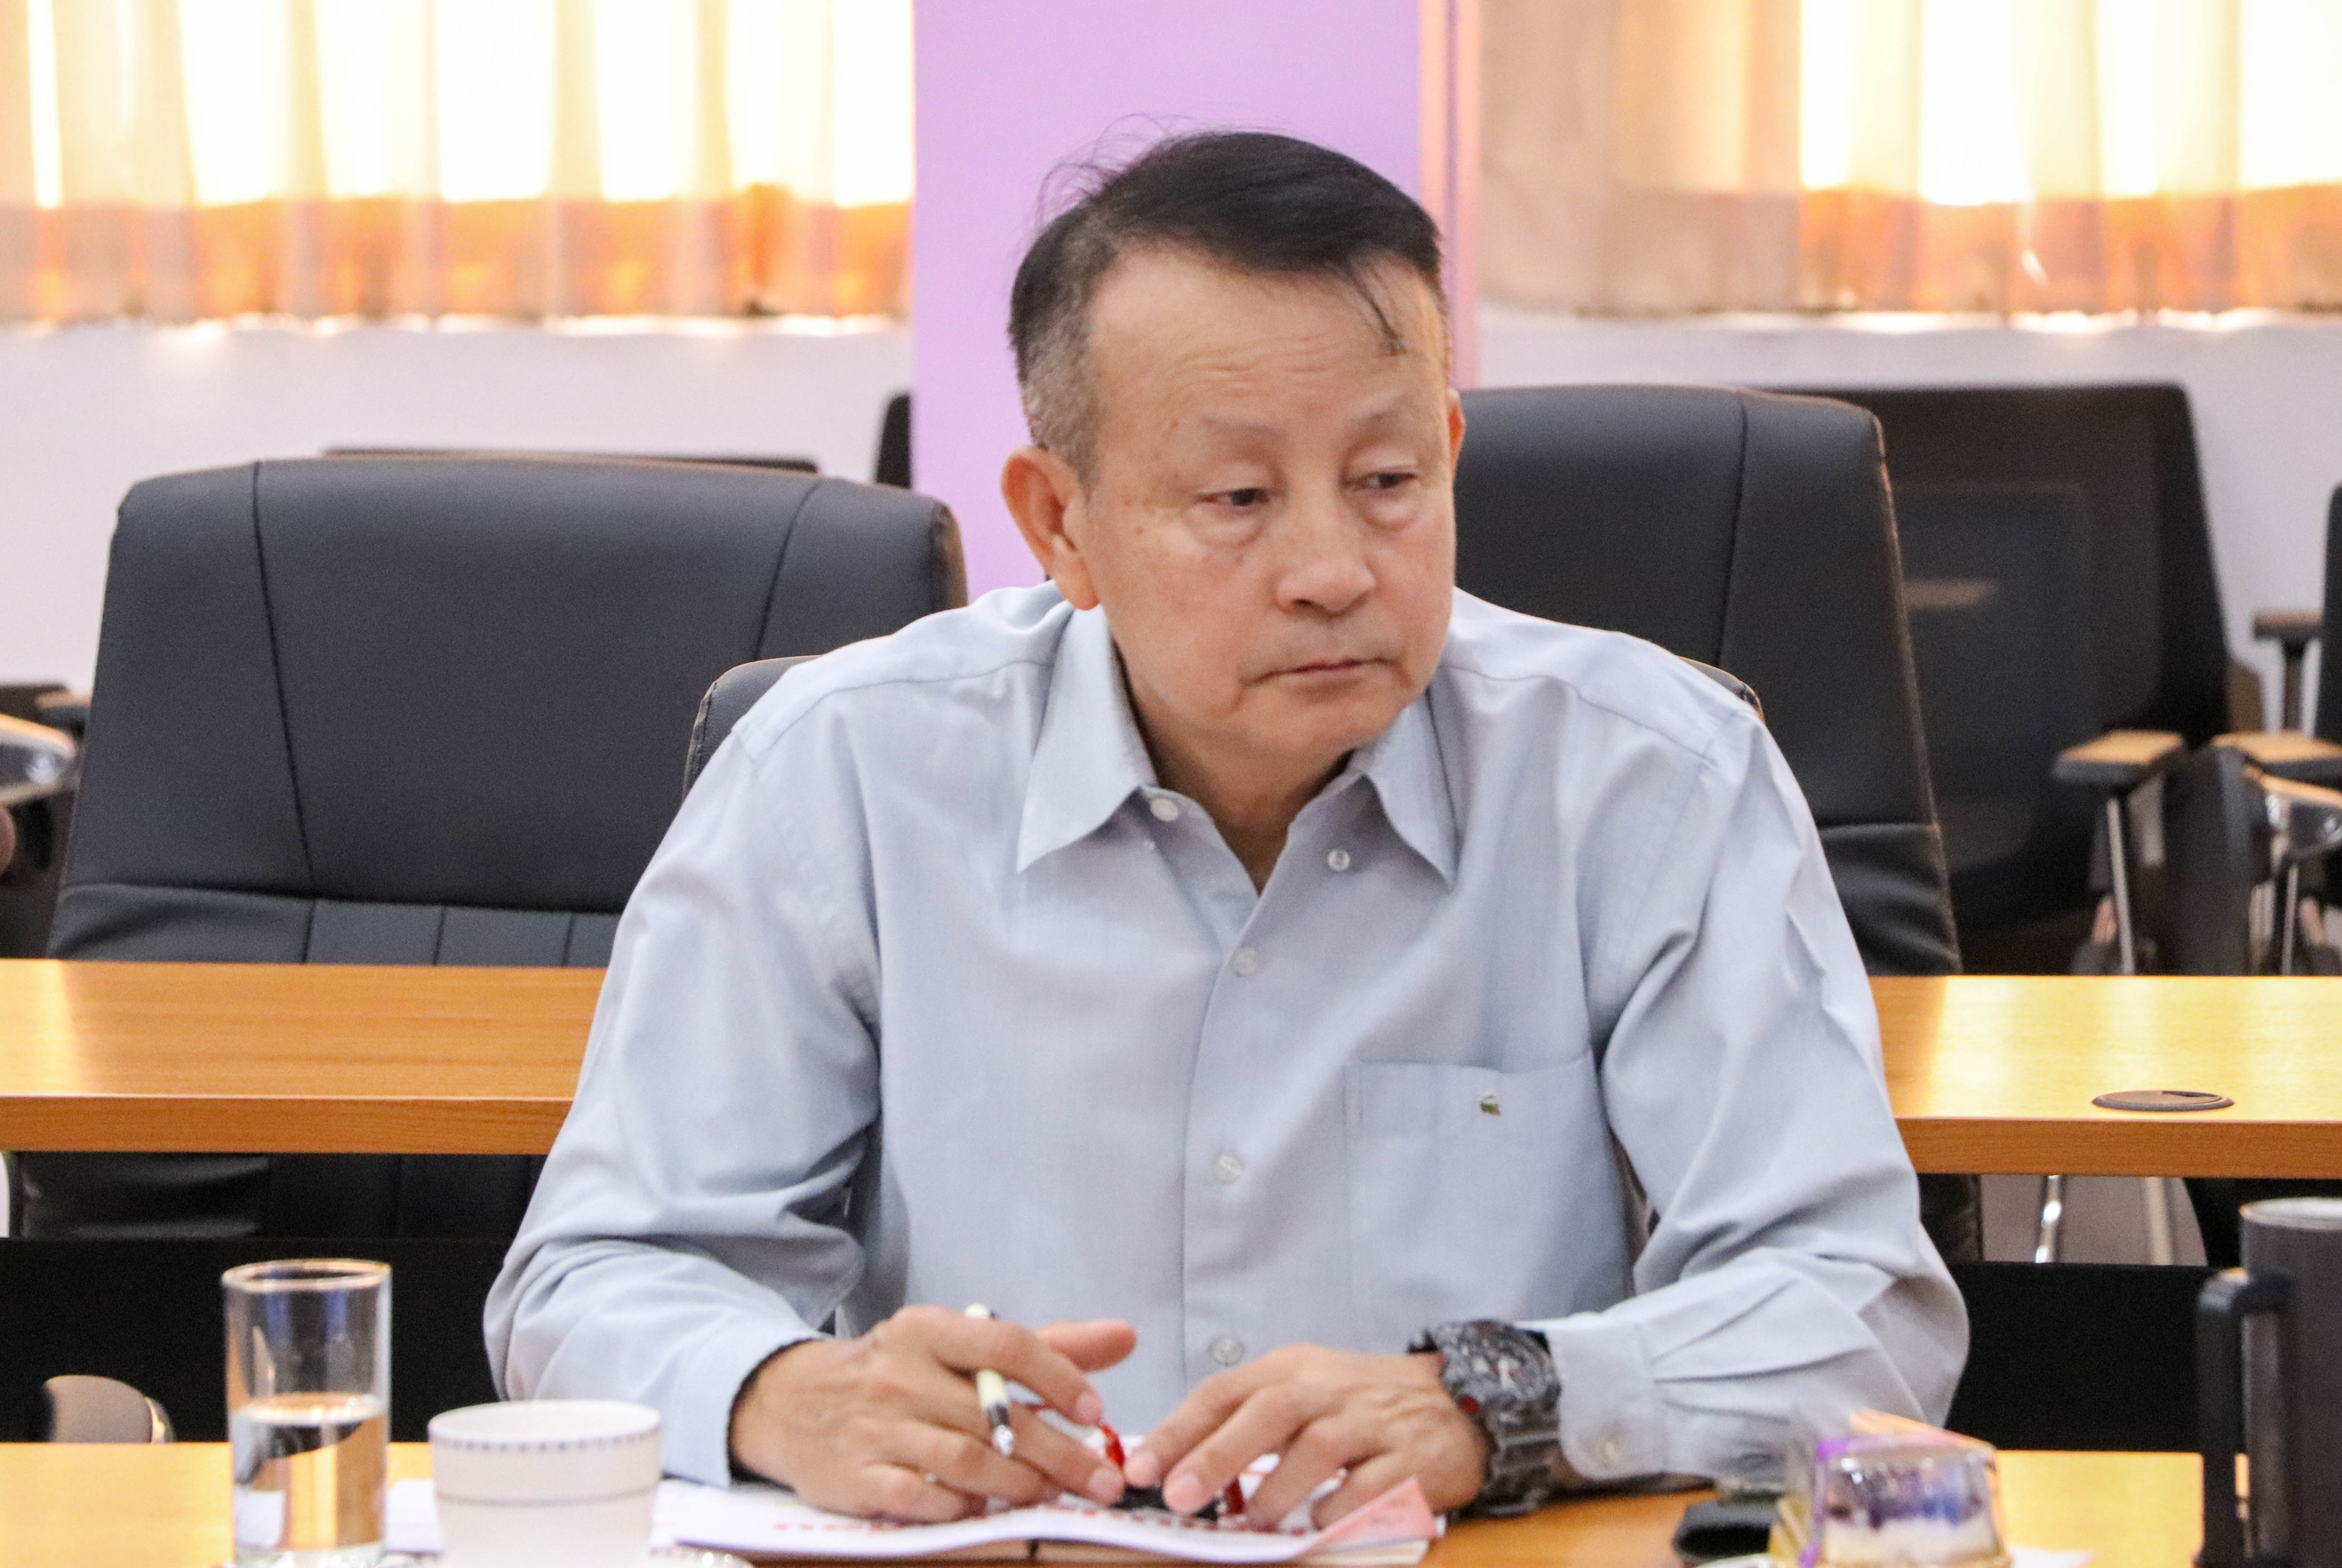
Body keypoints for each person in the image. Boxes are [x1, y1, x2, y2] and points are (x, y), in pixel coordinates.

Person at [487, 130, 1966, 1527]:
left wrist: (1497, 1403)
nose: (1332, 567)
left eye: (1388, 482)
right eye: (1240, 496)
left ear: (1450, 453)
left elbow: (1856, 1306)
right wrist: (785, 1393)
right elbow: (593, 1277)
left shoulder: (1648, 776)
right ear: (1059, 523)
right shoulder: (846, 772)